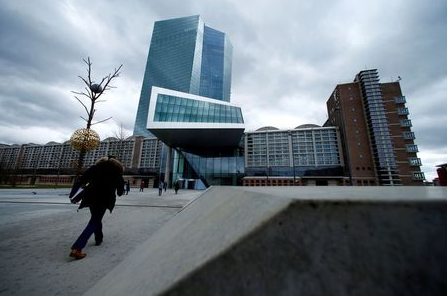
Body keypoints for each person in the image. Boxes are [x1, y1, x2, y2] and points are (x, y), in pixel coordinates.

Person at [69, 156, 124, 260]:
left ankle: (99, 238)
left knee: (95, 218)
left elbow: (82, 181)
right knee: (95, 220)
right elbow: (120, 190)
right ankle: (77, 248)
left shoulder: (94, 168)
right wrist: (119, 191)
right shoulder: (116, 171)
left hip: (90, 197)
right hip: (105, 198)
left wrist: (75, 194)